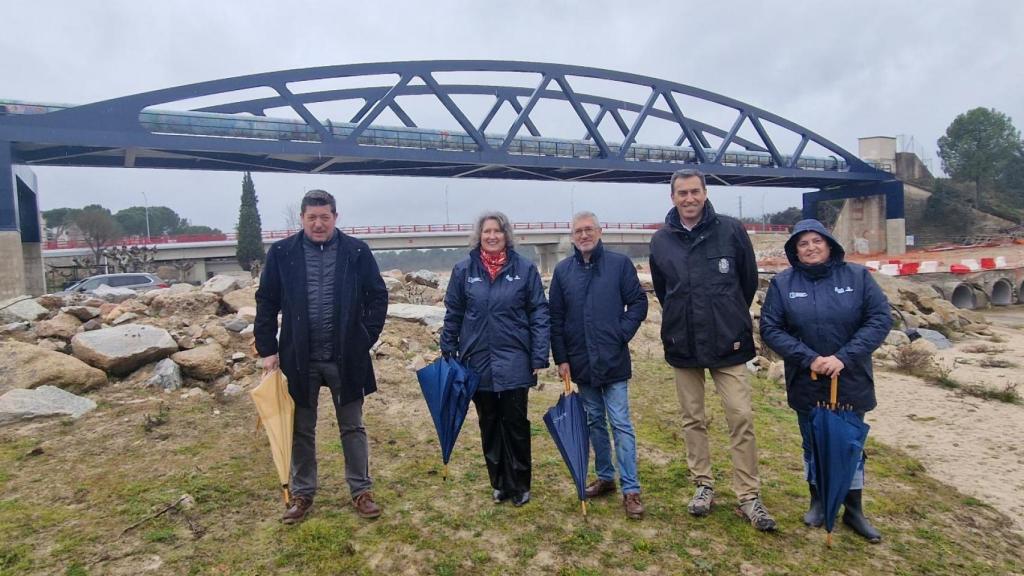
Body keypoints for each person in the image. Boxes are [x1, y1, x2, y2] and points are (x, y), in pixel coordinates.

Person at [648, 168, 776, 531]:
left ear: (705, 193)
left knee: (740, 416)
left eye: (694, 192)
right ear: (672, 198)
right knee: (693, 418)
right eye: (681, 193)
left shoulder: (731, 230)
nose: (688, 199)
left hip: (728, 342)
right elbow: (664, 290)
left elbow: (747, 282)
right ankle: (703, 484)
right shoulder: (661, 241)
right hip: (682, 342)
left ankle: (749, 495)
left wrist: (729, 315)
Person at [254, 189, 389, 524]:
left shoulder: (356, 252)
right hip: (299, 357)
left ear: (335, 217)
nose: (318, 223)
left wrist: (364, 337)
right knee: (301, 429)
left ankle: (361, 490)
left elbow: (378, 296)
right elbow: (266, 301)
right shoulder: (282, 253)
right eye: (312, 217)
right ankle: (302, 494)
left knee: (353, 427)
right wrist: (268, 349)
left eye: (324, 217)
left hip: (346, 356)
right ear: (302, 218)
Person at [759, 219, 891, 543]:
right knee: (813, 443)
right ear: (795, 250)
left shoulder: (857, 277)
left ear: (829, 244)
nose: (811, 247)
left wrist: (843, 357)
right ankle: (818, 500)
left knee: (850, 445)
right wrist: (810, 358)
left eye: (816, 241)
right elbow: (771, 328)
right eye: (803, 243)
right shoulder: (784, 283)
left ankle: (854, 509)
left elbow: (879, 319)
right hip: (807, 379)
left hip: (850, 377)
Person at [440, 211, 550, 507]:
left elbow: (539, 313)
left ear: (506, 235)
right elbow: (454, 312)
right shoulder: (463, 270)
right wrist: (448, 346)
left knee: (515, 423)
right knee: (488, 422)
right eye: (487, 231)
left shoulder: (524, 269)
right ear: (479, 235)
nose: (492, 236)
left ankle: (520, 483)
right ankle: (499, 482)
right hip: (477, 360)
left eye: (498, 232)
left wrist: (539, 354)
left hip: (515, 359)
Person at [550, 211, 649, 519]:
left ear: (600, 231)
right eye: (578, 231)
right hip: (581, 362)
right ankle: (606, 477)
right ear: (571, 236)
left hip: (613, 359)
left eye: (588, 229)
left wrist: (621, 333)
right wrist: (561, 358)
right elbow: (556, 319)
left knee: (620, 423)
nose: (583, 235)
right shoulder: (563, 271)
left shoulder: (619, 265)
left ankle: (631, 489)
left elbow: (638, 303)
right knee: (594, 422)